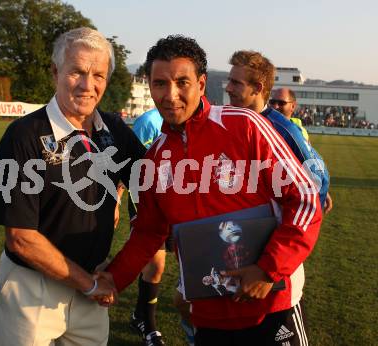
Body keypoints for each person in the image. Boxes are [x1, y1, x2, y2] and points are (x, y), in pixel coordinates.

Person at [98, 35, 322, 346]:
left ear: (202, 85)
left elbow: (305, 198)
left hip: (270, 307)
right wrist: (114, 277)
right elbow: (148, 233)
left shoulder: (244, 125)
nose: (170, 94)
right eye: (160, 83)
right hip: (208, 316)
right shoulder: (155, 160)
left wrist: (268, 269)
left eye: (182, 82)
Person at [0, 27, 145, 346]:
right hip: (33, 289)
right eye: (77, 72)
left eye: (98, 74)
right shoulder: (24, 135)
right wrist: (89, 285)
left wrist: (118, 194)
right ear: (56, 72)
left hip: (92, 287)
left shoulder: (114, 129)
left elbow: (152, 179)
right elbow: (21, 239)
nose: (88, 85)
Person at [226, 50, 332, 214]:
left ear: (257, 88)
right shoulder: (225, 119)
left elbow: (318, 176)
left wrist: (306, 218)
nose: (228, 88)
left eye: (235, 83)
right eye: (229, 81)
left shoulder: (285, 130)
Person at [128, 108, 166, 346]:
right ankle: (149, 327)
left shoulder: (191, 119)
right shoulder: (148, 121)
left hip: (178, 201)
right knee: (156, 263)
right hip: (146, 201)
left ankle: (138, 315)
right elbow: (130, 163)